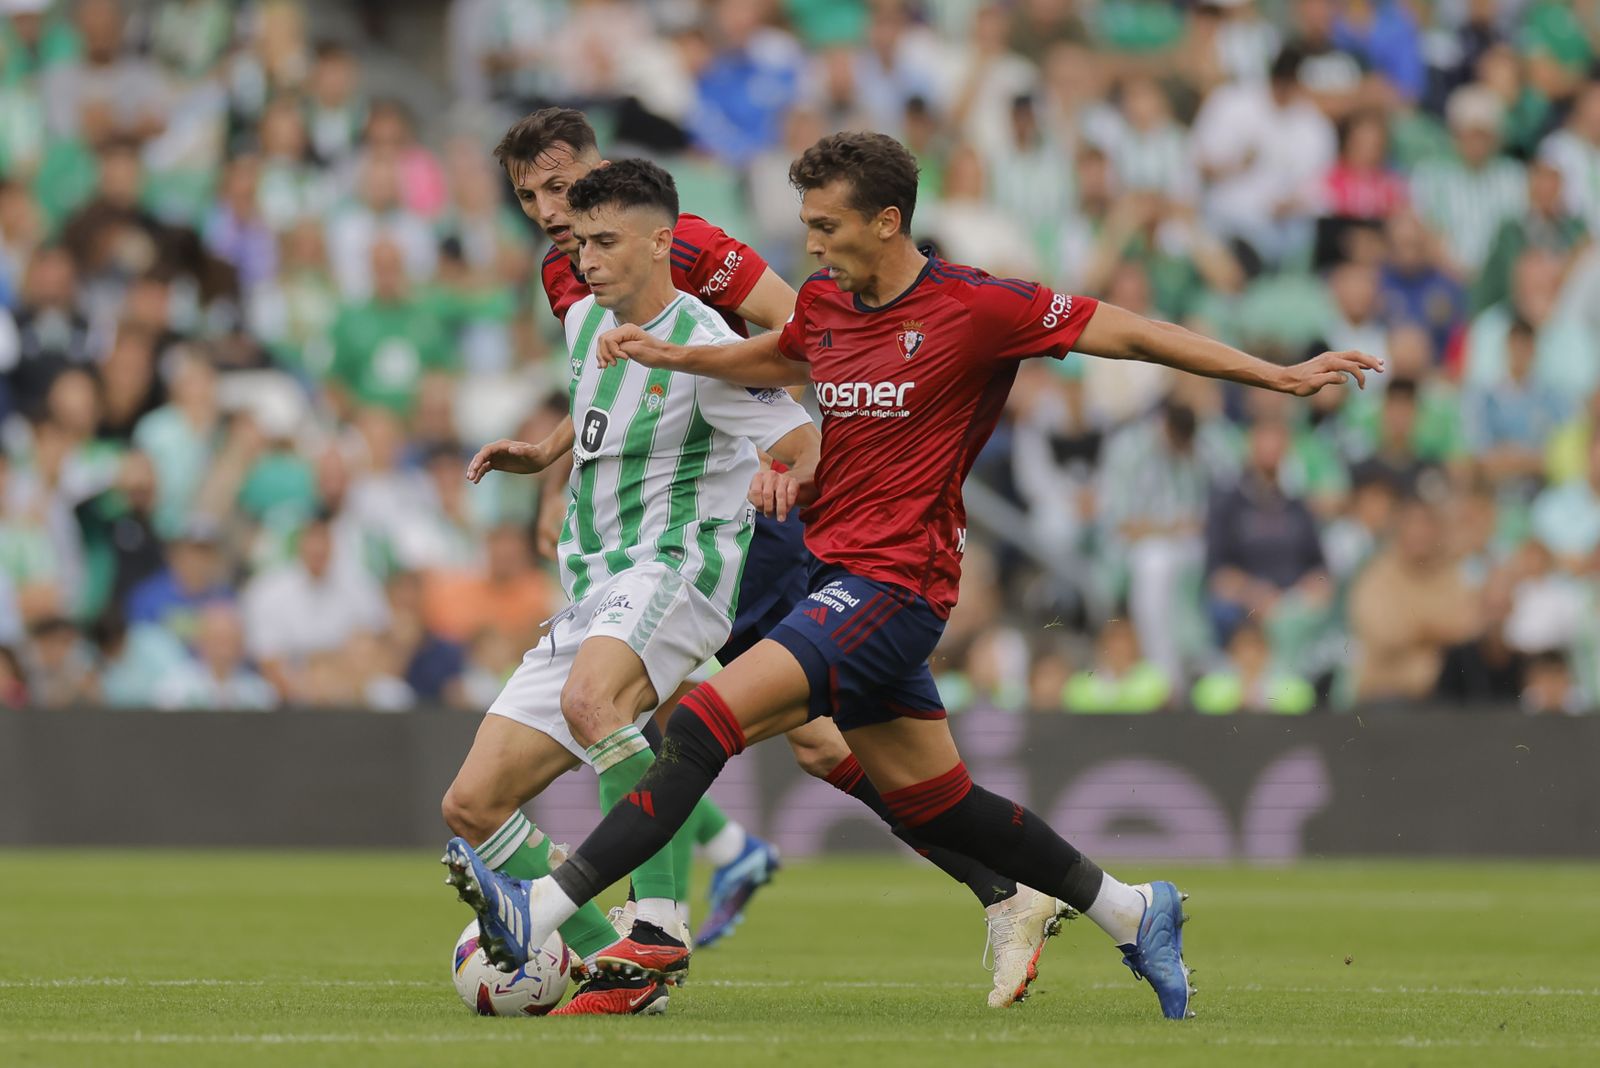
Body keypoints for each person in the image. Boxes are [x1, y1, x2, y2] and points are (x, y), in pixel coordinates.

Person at [443, 131, 1381, 1020]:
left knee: (699, 722)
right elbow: (770, 356)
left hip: (900, 585)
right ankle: (1134, 910)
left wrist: (1277, 375)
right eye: (806, 225)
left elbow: (1128, 334)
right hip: (834, 578)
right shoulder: (826, 305)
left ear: (887, 222)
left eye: (826, 227)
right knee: (939, 801)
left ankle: (556, 913)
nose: (808, 247)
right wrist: (675, 356)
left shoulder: (978, 308)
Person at [454, 110, 1071, 1014]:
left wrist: (786, 455)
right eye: (530, 198)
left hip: (740, 511)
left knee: (662, 710)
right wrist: (557, 458)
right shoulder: (574, 270)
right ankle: (995, 886)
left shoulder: (686, 244)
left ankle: (651, 931)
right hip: (648, 520)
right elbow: (613, 384)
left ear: (606, 175)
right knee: (803, 741)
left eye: (561, 188)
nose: (550, 212)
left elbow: (807, 335)